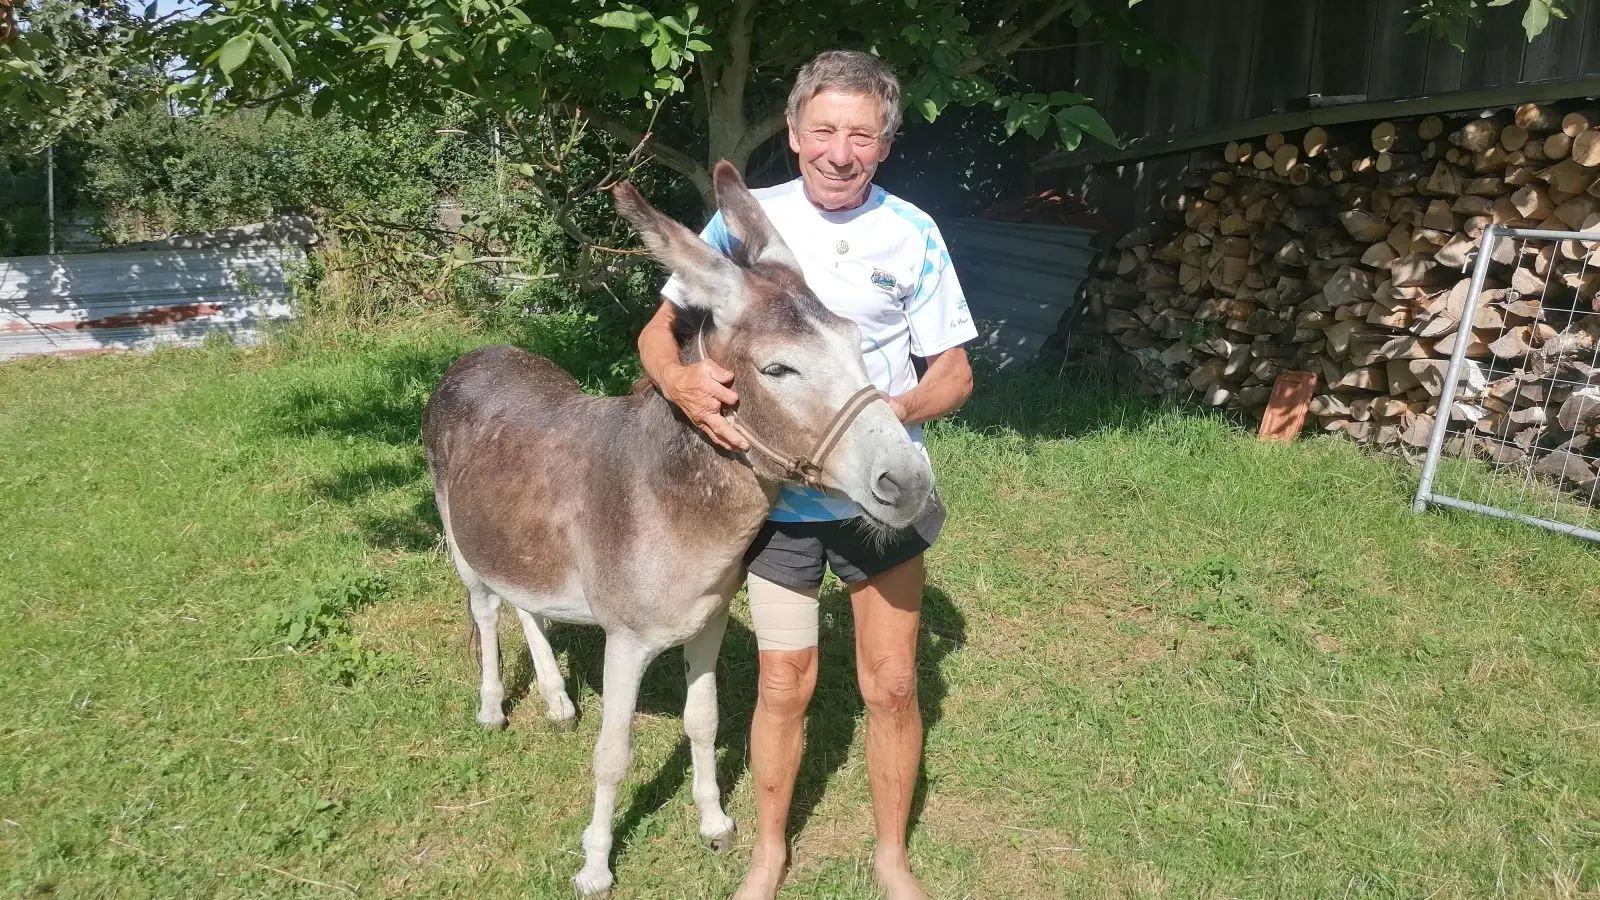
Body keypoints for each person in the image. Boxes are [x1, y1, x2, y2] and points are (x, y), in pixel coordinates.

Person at [637, 49, 976, 900]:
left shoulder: (914, 234)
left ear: (885, 145)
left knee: (892, 685)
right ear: (793, 135)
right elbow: (658, 334)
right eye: (823, 129)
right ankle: (769, 854)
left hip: (882, 499)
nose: (840, 149)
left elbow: (955, 373)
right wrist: (679, 383)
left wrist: (874, 424)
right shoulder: (743, 225)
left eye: (861, 134)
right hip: (777, 504)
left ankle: (892, 860)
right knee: (785, 681)